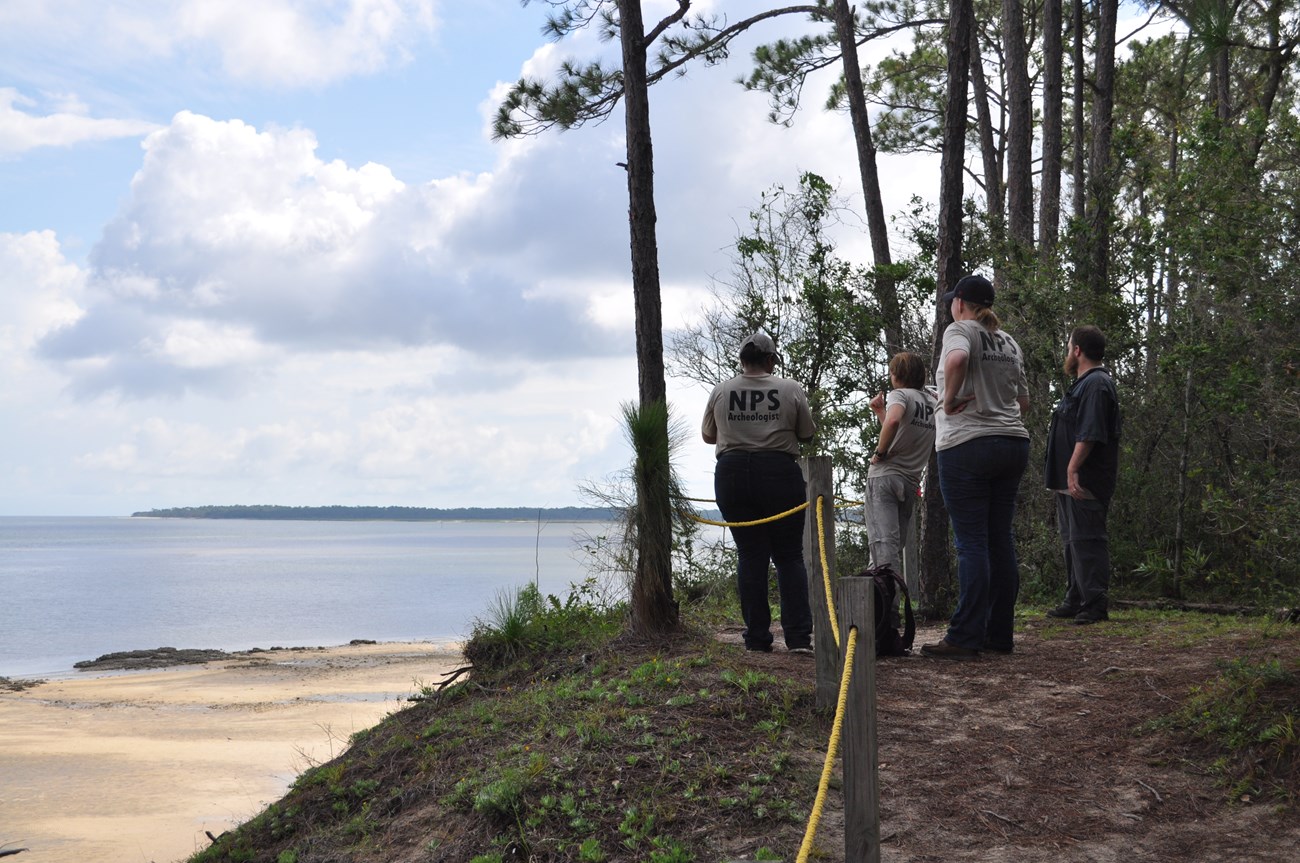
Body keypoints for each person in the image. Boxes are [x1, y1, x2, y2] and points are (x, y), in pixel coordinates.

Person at [922, 274, 1030, 660]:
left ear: (962, 303)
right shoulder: (1009, 342)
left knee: (971, 543)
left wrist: (948, 401)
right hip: (1013, 443)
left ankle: (965, 636)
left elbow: (957, 359)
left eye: (954, 300)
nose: (952, 305)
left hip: (967, 446)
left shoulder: (960, 330)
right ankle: (998, 634)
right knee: (999, 539)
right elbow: (1022, 401)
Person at [702, 332, 816, 654]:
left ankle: (757, 638)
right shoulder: (789, 388)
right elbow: (807, 433)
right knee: (789, 555)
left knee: (750, 555)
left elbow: (708, 435)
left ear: (742, 361)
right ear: (770, 361)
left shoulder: (722, 390)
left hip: (732, 474)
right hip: (779, 472)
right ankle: (797, 639)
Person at [1045, 325, 1121, 624]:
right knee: (1072, 540)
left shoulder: (1097, 385)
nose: (1067, 353)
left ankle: (1094, 603)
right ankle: (1076, 597)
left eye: (1068, 347)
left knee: (1088, 538)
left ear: (1077, 351)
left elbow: (1090, 432)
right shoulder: (1084, 383)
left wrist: (1073, 467)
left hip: (1086, 478)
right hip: (1070, 480)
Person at [865, 352, 937, 597]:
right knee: (891, 548)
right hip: (909, 481)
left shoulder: (900, 394)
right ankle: (876, 607)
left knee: (883, 549)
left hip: (884, 477)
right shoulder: (930, 403)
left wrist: (880, 453)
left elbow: (894, 422)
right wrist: (880, 413)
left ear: (897, 375)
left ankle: (889, 615)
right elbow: (902, 429)